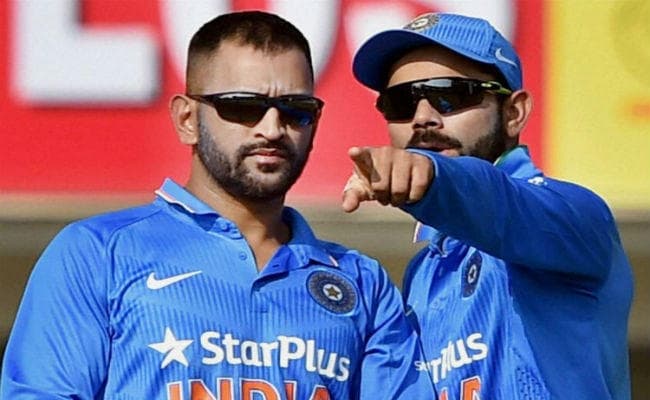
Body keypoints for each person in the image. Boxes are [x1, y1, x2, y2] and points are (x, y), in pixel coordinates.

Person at [0, 11, 432, 399]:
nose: (272, 128)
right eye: (242, 107)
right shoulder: (97, 253)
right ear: (187, 119)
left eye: (295, 110)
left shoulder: (364, 284)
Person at [342, 12, 633, 400]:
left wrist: (433, 174)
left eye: (450, 95)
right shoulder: (425, 270)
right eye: (401, 103)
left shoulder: (574, 215)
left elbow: (501, 203)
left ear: (514, 113)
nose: (423, 119)